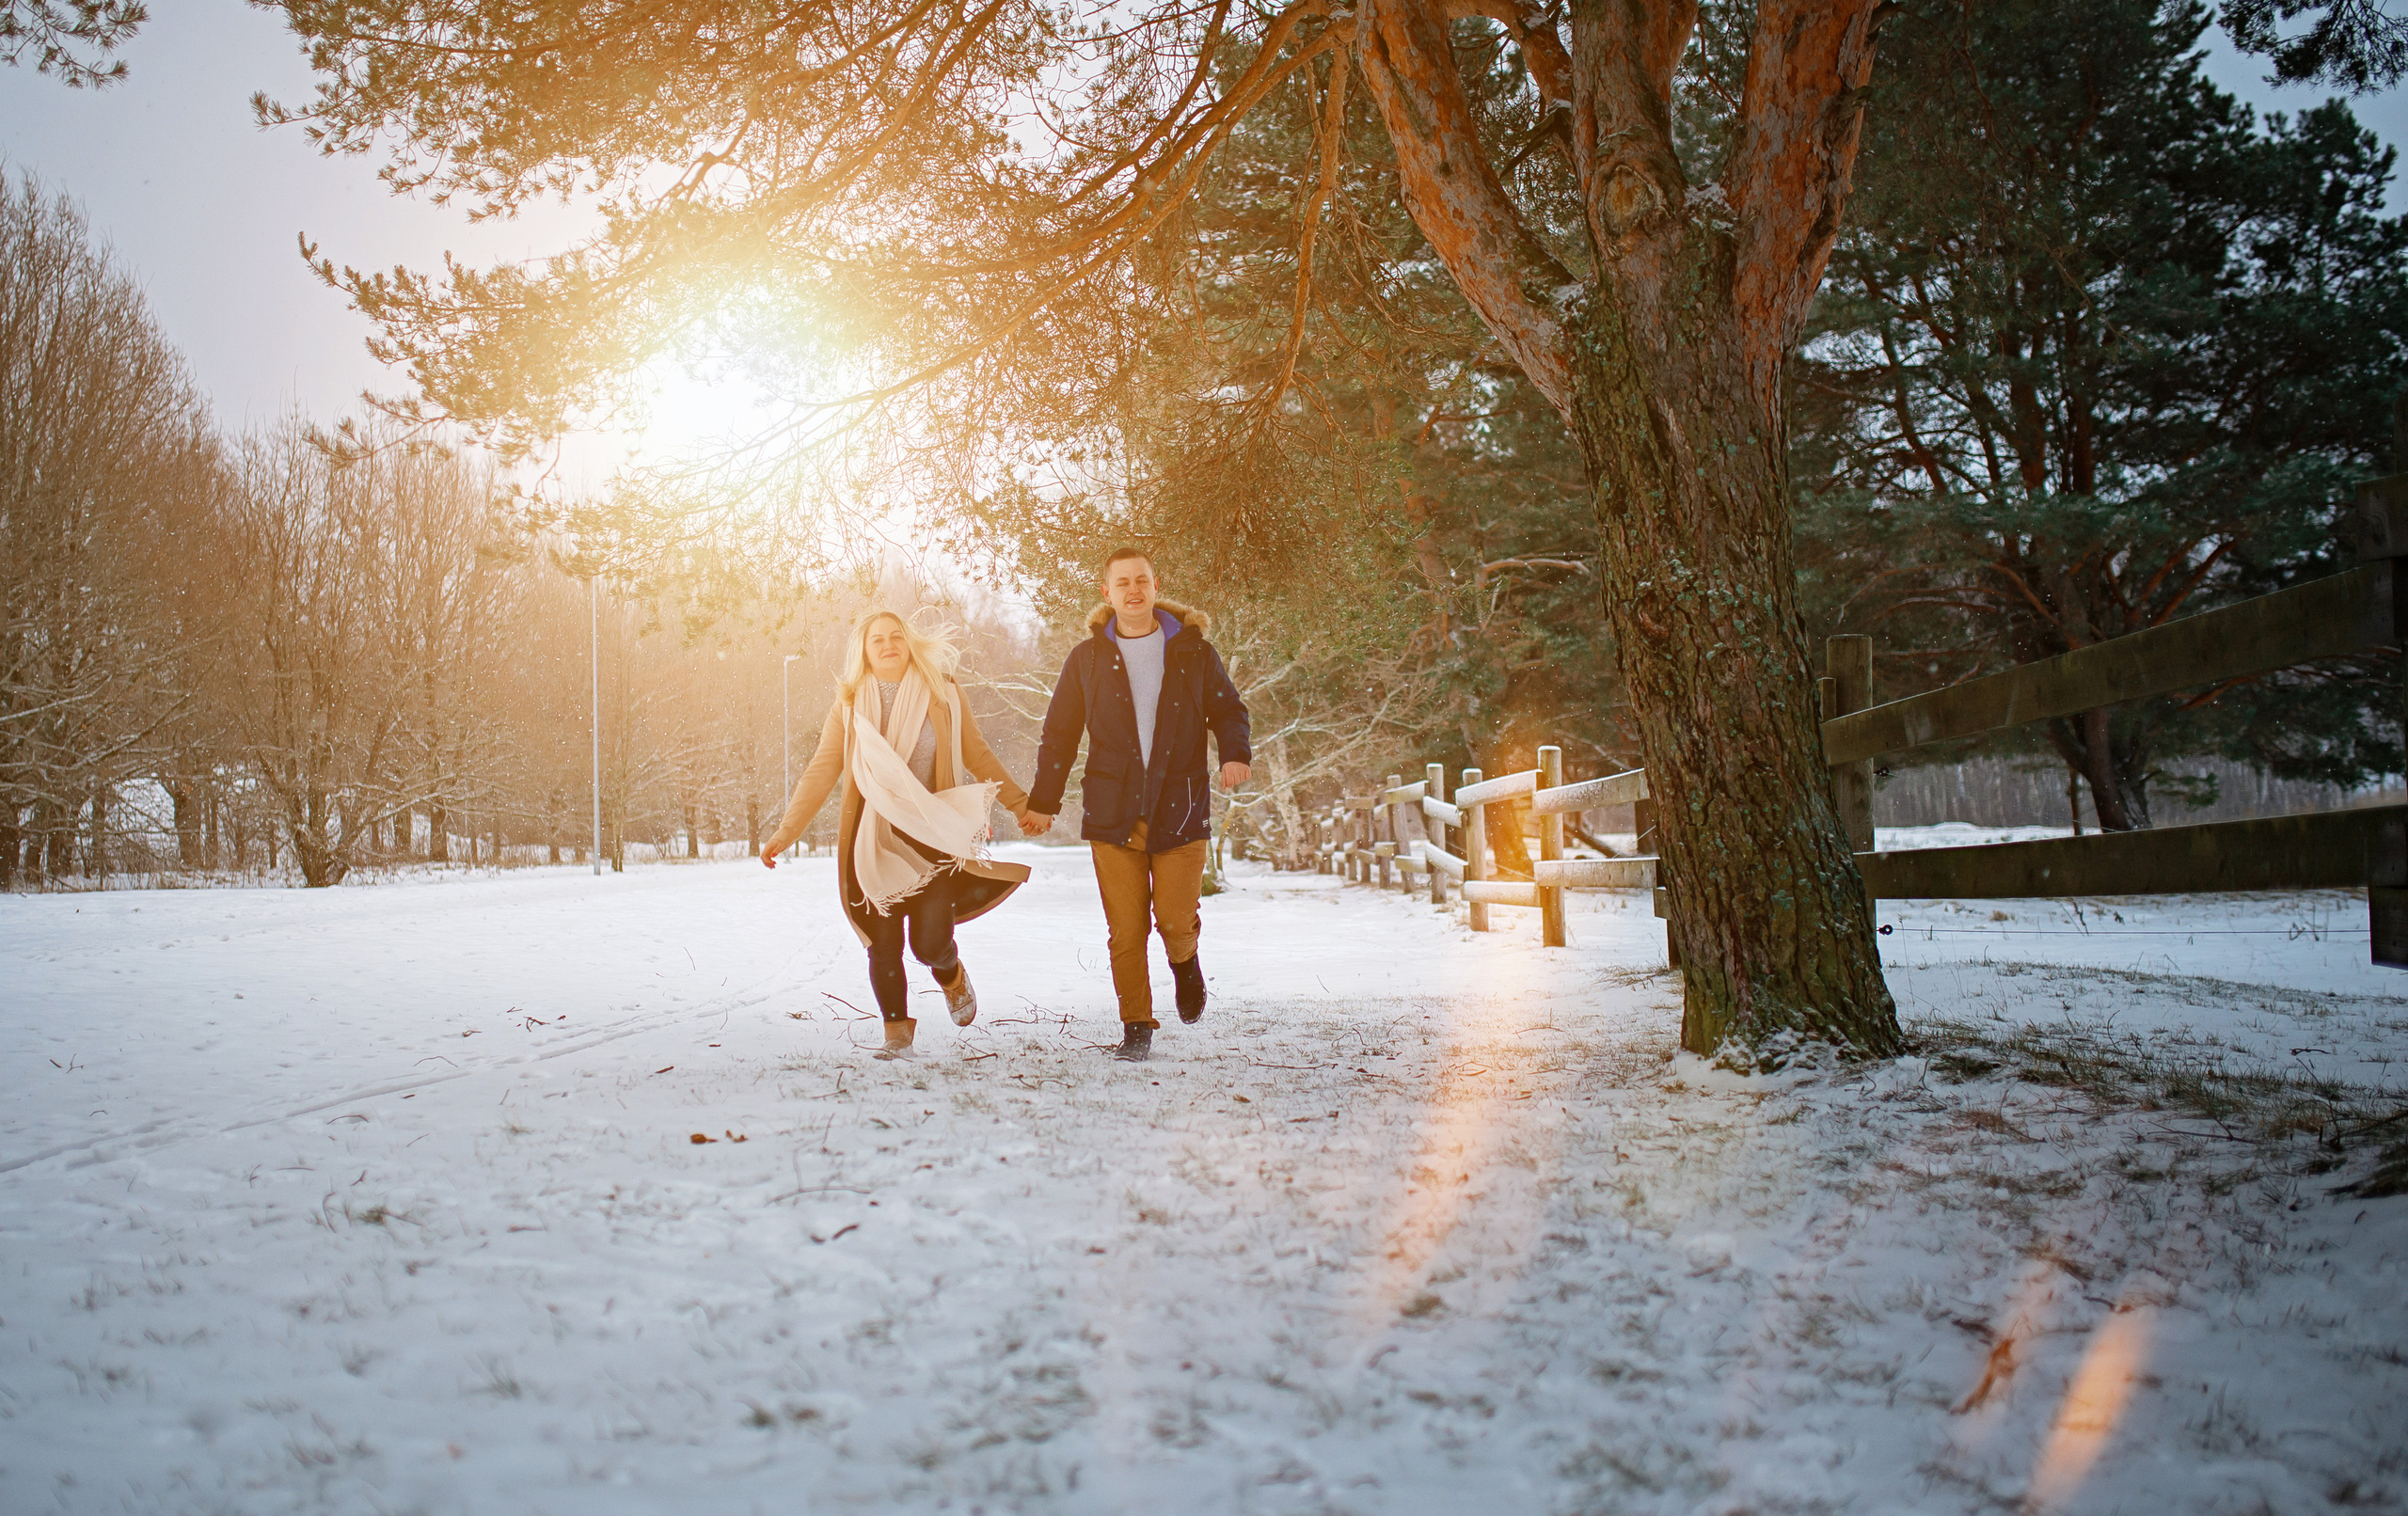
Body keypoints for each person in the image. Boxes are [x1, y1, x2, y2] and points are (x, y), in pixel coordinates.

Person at [760, 609, 1050, 1059]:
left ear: (909, 642)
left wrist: (1020, 803)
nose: (888, 644)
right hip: (871, 838)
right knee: (883, 941)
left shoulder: (943, 692)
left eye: (896, 636)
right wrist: (787, 830)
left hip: (930, 833)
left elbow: (977, 752)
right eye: (877, 639)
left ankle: (950, 974)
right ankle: (896, 1034)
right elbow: (822, 770)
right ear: (864, 650)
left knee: (928, 942)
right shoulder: (850, 704)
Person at [1023, 547, 1250, 1061]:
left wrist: (1235, 754)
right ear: (1107, 592)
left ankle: (1185, 961)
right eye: (1122, 582)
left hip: (1182, 806)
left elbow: (1229, 710)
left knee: (1172, 918)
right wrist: (1043, 802)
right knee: (1126, 928)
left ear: (1154, 585)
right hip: (1113, 811)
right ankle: (1137, 1025)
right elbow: (1058, 735)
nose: (1133, 590)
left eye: (1141, 580)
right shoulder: (1087, 659)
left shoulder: (1194, 651)